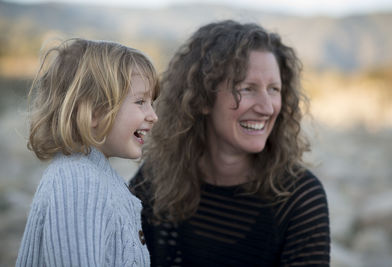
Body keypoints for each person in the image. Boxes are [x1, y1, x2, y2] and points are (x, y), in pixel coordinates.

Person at [130, 20, 330, 266]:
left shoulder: (300, 199)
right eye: (247, 89)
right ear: (202, 99)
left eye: (274, 89)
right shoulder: (155, 180)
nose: (267, 107)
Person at [16, 38, 159, 266]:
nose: (153, 115)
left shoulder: (97, 177)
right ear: (94, 112)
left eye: (152, 102)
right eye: (141, 101)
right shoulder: (78, 181)